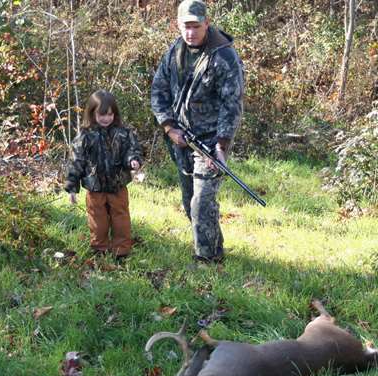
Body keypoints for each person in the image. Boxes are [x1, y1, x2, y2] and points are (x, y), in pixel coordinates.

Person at [150, 0, 244, 263]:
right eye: (185, 26)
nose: (190, 32)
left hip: (211, 141)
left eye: (196, 26)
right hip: (180, 139)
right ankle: (215, 248)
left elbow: (232, 104)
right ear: (178, 25)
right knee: (190, 200)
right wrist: (169, 127)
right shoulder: (174, 53)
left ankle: (206, 262)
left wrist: (221, 146)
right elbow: (158, 92)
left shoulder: (224, 56)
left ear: (206, 24)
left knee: (202, 202)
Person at [64, 90, 143, 258]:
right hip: (95, 187)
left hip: (117, 186)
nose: (106, 118)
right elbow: (76, 161)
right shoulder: (85, 136)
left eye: (109, 114)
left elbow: (132, 150)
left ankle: (121, 250)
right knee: (97, 220)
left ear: (115, 114)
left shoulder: (123, 133)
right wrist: (72, 187)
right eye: (101, 115)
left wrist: (133, 160)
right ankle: (100, 248)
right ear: (92, 113)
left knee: (120, 218)